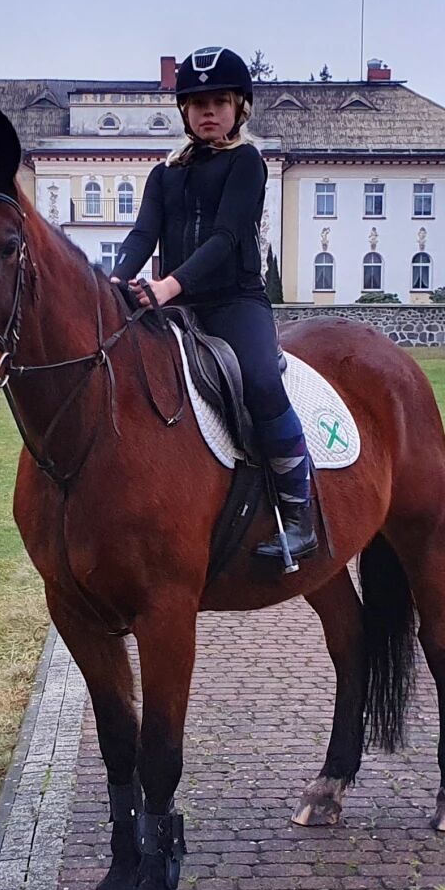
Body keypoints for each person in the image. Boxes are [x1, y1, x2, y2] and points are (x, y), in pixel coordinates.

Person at [109, 45, 317, 564]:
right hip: (176, 305)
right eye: (198, 103)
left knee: (261, 381)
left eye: (220, 102)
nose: (208, 112)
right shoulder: (164, 174)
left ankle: (299, 514)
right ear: (184, 110)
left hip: (234, 302)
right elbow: (143, 234)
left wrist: (167, 287)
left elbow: (226, 237)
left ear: (239, 108)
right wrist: (115, 279)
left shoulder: (247, 163)